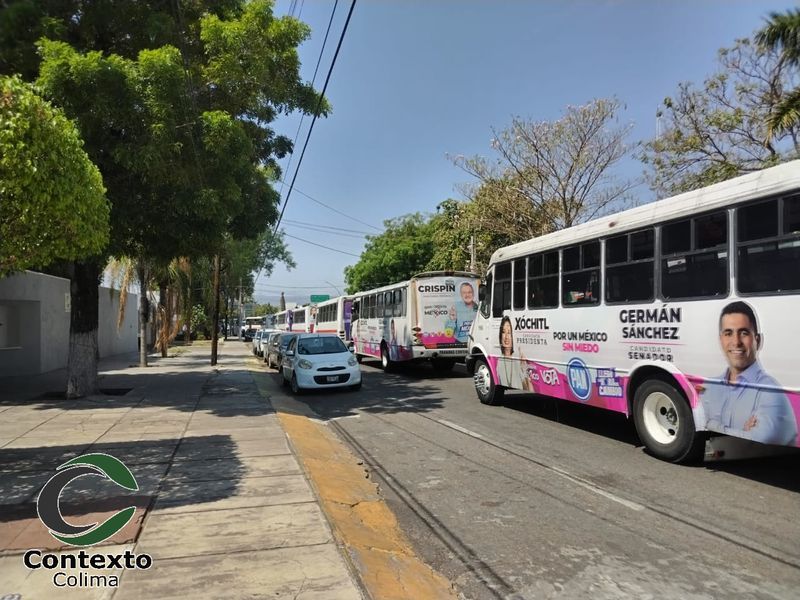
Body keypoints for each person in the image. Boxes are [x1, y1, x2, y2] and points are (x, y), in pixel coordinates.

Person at [701, 301, 797, 446]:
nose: (736, 342)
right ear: (720, 340)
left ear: (757, 340)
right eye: (728, 333)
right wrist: (743, 431)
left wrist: (713, 425)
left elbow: (763, 438)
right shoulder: (710, 387)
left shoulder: (770, 390)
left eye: (744, 333)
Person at [496, 316, 530, 391]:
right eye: (503, 332)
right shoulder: (499, 361)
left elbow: (527, 387)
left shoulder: (517, 357)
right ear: (500, 335)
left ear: (513, 336)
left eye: (509, 333)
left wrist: (524, 369)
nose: (506, 337)